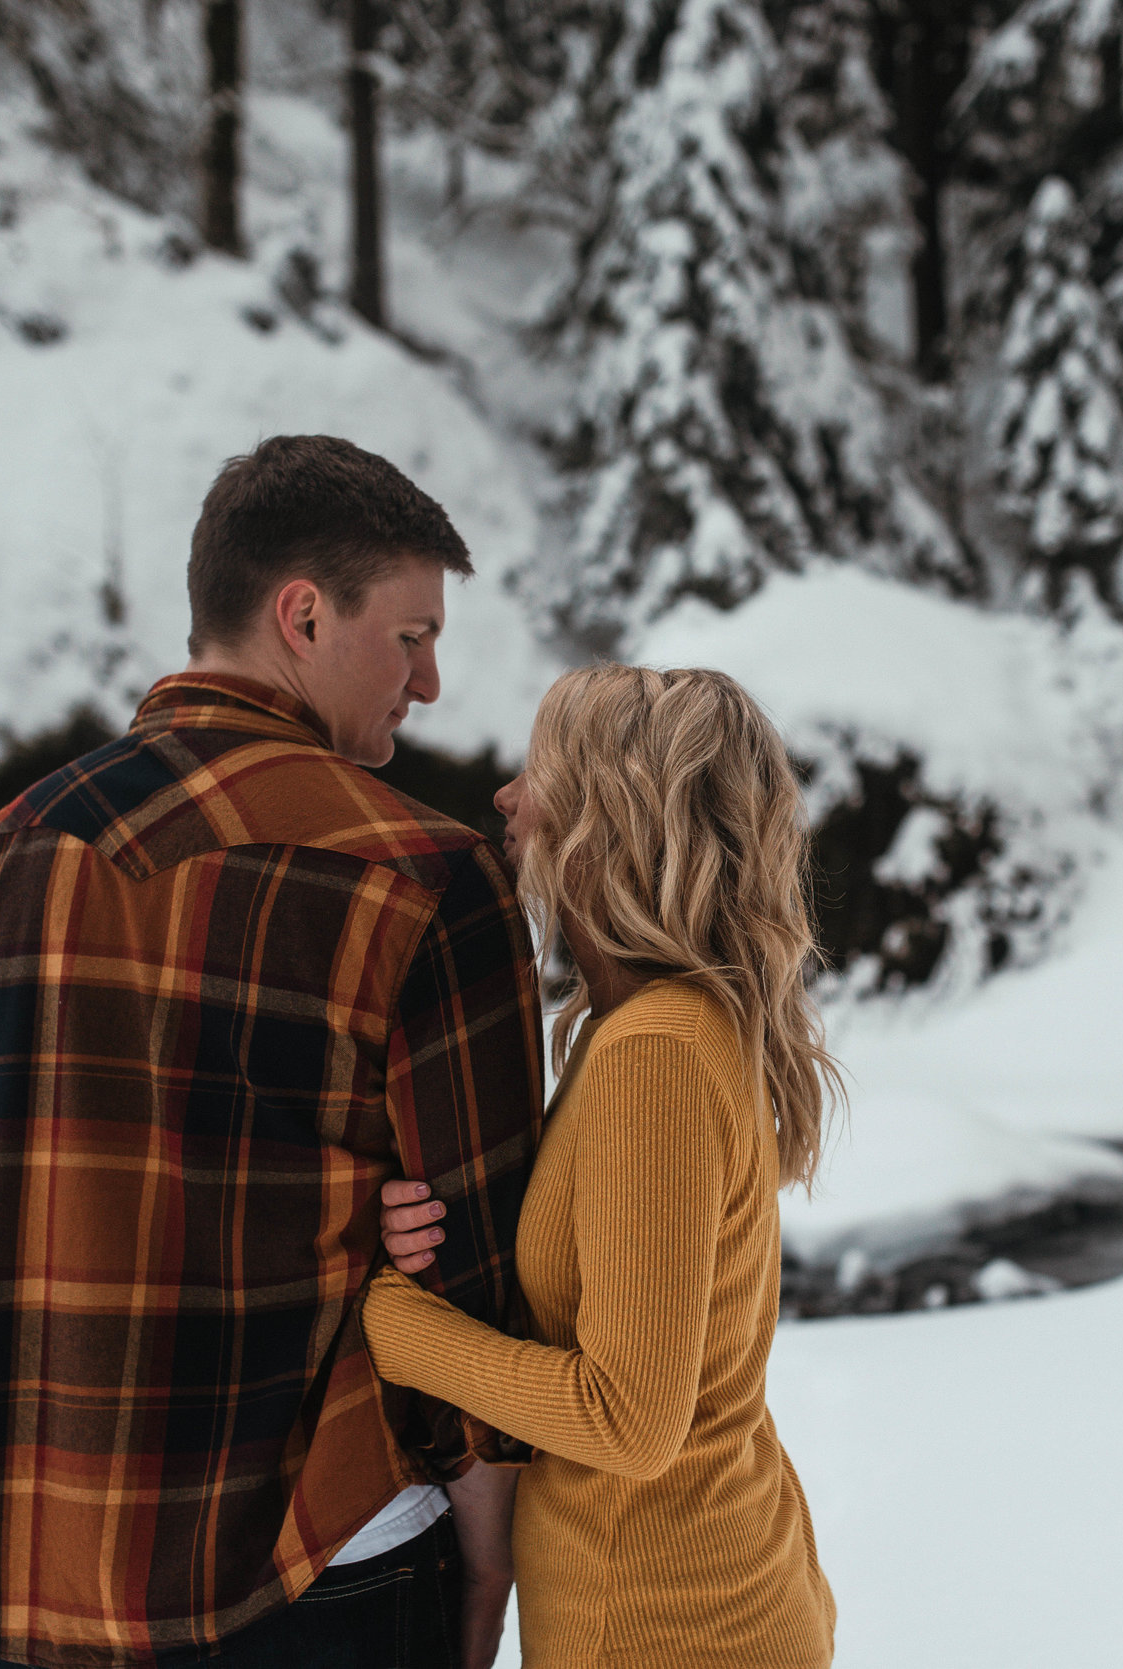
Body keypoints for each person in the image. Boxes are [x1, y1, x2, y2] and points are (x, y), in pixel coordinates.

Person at [0, 435, 542, 1669]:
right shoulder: (425, 875)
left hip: (54, 1585)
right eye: (412, 636)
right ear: (302, 614)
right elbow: (482, 1268)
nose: (428, 684)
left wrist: (76, 1434)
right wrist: (488, 1561)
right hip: (329, 1565)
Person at [358, 664, 842, 1669]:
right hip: (685, 1594)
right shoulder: (640, 1029)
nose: (504, 794)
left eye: (537, 769)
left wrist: (388, 1325)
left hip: (667, 1622)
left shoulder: (657, 1051)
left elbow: (627, 1420)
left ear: (605, 814)